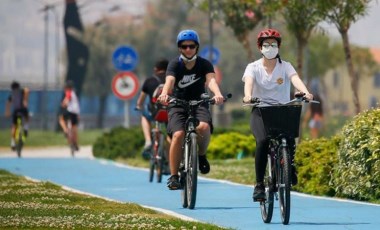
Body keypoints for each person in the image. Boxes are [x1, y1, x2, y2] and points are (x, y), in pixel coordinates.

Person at [242, 28, 313, 201]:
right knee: (263, 141)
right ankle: (259, 185)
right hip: (261, 111)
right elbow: (249, 83)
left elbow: (295, 80)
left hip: (282, 110)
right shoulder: (253, 67)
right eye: (266, 45)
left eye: (274, 44)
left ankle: (290, 167)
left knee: (289, 137)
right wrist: (248, 96)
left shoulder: (286, 66)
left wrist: (305, 92)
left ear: (279, 47)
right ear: (260, 48)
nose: (270, 47)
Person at [158, 29, 225, 190]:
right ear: (179, 48)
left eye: (191, 46)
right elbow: (169, 81)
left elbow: (211, 81)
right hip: (177, 103)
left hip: (199, 102)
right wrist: (164, 94)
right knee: (179, 134)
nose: (188, 49)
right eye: (184, 46)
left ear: (197, 47)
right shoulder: (175, 64)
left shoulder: (204, 64)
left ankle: (201, 156)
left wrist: (217, 94)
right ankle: (174, 176)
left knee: (204, 127)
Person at [135, 58, 169, 157]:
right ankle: (169, 161)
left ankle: (148, 141)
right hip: (170, 112)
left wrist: (139, 106)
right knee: (171, 136)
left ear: (155, 69)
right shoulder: (172, 80)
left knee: (144, 116)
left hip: (155, 113)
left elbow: (140, 100)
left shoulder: (150, 80)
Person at [5, 81, 30, 150]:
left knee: (14, 126)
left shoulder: (12, 94)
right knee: (27, 119)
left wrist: (7, 112)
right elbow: (27, 90)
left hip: (16, 111)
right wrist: (25, 100)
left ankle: (12, 142)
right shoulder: (21, 91)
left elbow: (8, 103)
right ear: (18, 86)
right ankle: (26, 128)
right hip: (23, 110)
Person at [58, 80, 80, 151]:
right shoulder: (74, 94)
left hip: (69, 111)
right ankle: (75, 143)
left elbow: (67, 98)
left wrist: (64, 104)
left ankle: (65, 130)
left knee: (61, 119)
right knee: (74, 128)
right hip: (75, 113)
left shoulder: (68, 92)